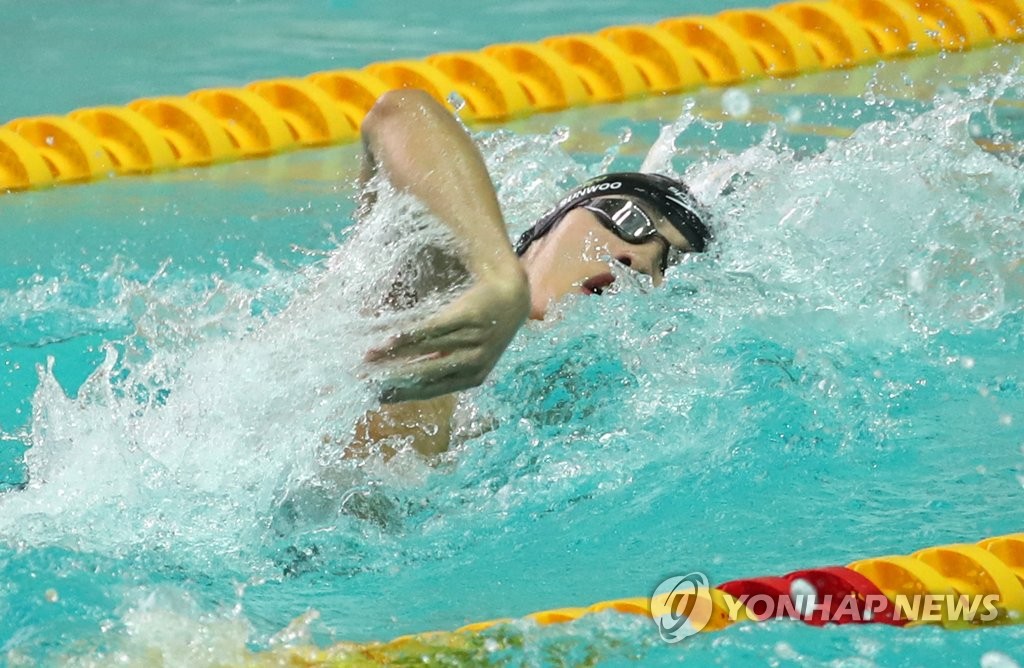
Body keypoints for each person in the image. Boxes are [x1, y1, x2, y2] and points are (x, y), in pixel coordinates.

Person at [348, 89, 712, 459]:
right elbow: (400, 113)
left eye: (668, 265)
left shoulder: (558, 435)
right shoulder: (440, 284)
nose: (641, 259)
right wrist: (500, 278)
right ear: (547, 227)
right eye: (629, 220)